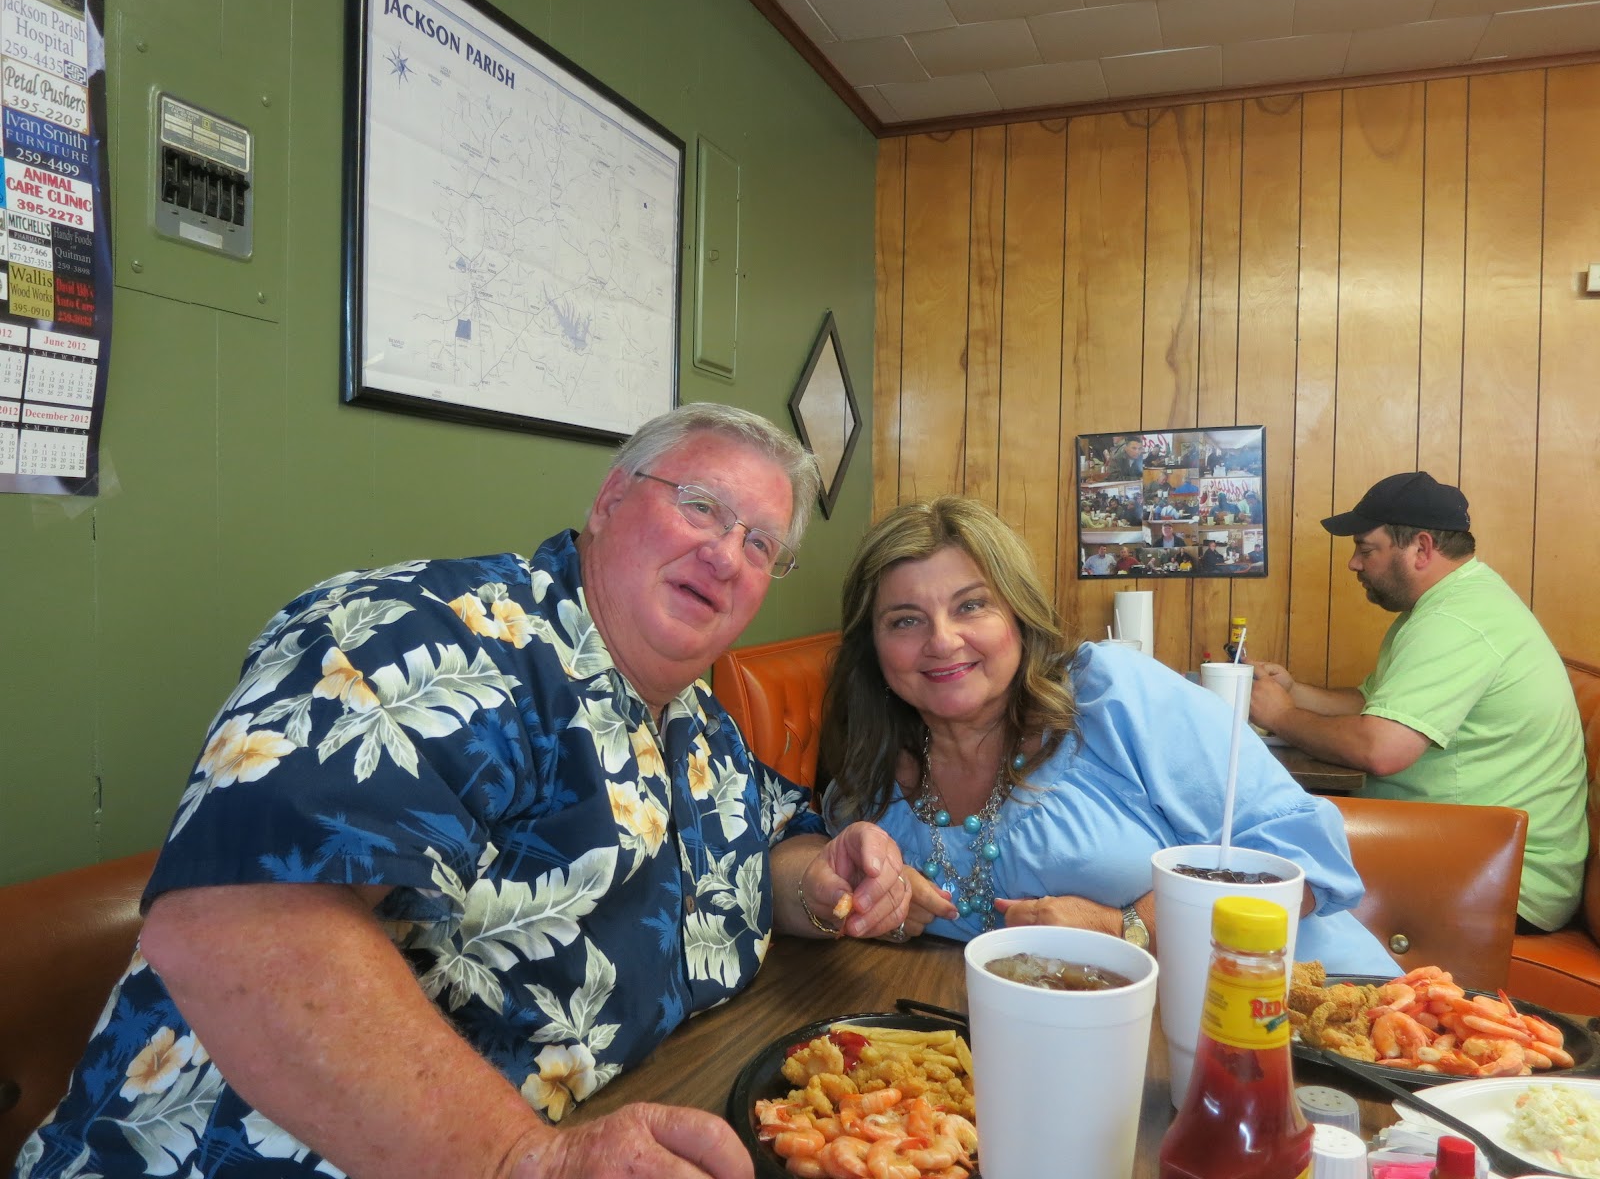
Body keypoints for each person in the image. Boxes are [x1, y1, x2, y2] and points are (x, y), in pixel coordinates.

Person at [14, 404, 915, 1179]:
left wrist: (827, 876)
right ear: (607, 501)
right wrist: (518, 1161)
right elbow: (237, 929)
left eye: (761, 544)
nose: (726, 554)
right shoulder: (425, 639)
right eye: (701, 506)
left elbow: (769, 846)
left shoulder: (700, 722)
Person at [815, 496, 1397, 974]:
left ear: (1020, 617)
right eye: (906, 620)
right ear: (873, 646)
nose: (942, 641)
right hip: (1072, 1056)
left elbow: (1299, 856)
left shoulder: (1110, 695)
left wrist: (1126, 928)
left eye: (972, 606)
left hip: (1299, 1017)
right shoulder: (864, 789)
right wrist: (880, 907)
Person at [1248, 471, 1588, 933]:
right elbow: (1374, 705)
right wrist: (1294, 691)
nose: (1354, 563)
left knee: (1256, 841)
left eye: (1366, 549)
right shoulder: (1448, 605)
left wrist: (1281, 716)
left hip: (1503, 880)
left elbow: (1381, 748)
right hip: (1466, 849)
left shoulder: (1456, 620)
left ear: (1422, 548)